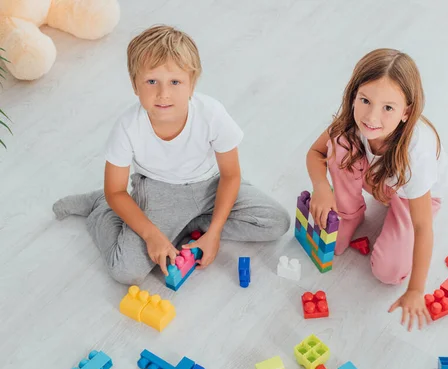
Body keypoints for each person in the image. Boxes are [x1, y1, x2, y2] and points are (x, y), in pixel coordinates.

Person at [52, 25, 290, 285]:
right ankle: (100, 208)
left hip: (210, 186)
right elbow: (116, 191)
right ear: (135, 85)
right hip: (159, 193)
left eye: (175, 82)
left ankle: (190, 225)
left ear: (191, 84)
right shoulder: (127, 127)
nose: (163, 93)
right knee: (126, 272)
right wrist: (152, 234)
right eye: (151, 81)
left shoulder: (212, 113)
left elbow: (231, 175)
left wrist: (214, 232)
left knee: (276, 222)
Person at [306, 48, 448, 331]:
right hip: (380, 180)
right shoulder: (351, 121)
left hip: (416, 197)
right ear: (354, 96)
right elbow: (315, 152)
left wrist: (416, 290)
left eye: (388, 108)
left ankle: (385, 220)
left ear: (406, 112)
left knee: (389, 272)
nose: (371, 117)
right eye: (365, 100)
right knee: (341, 144)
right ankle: (349, 214)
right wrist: (322, 187)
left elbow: (422, 227)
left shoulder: (415, 155)